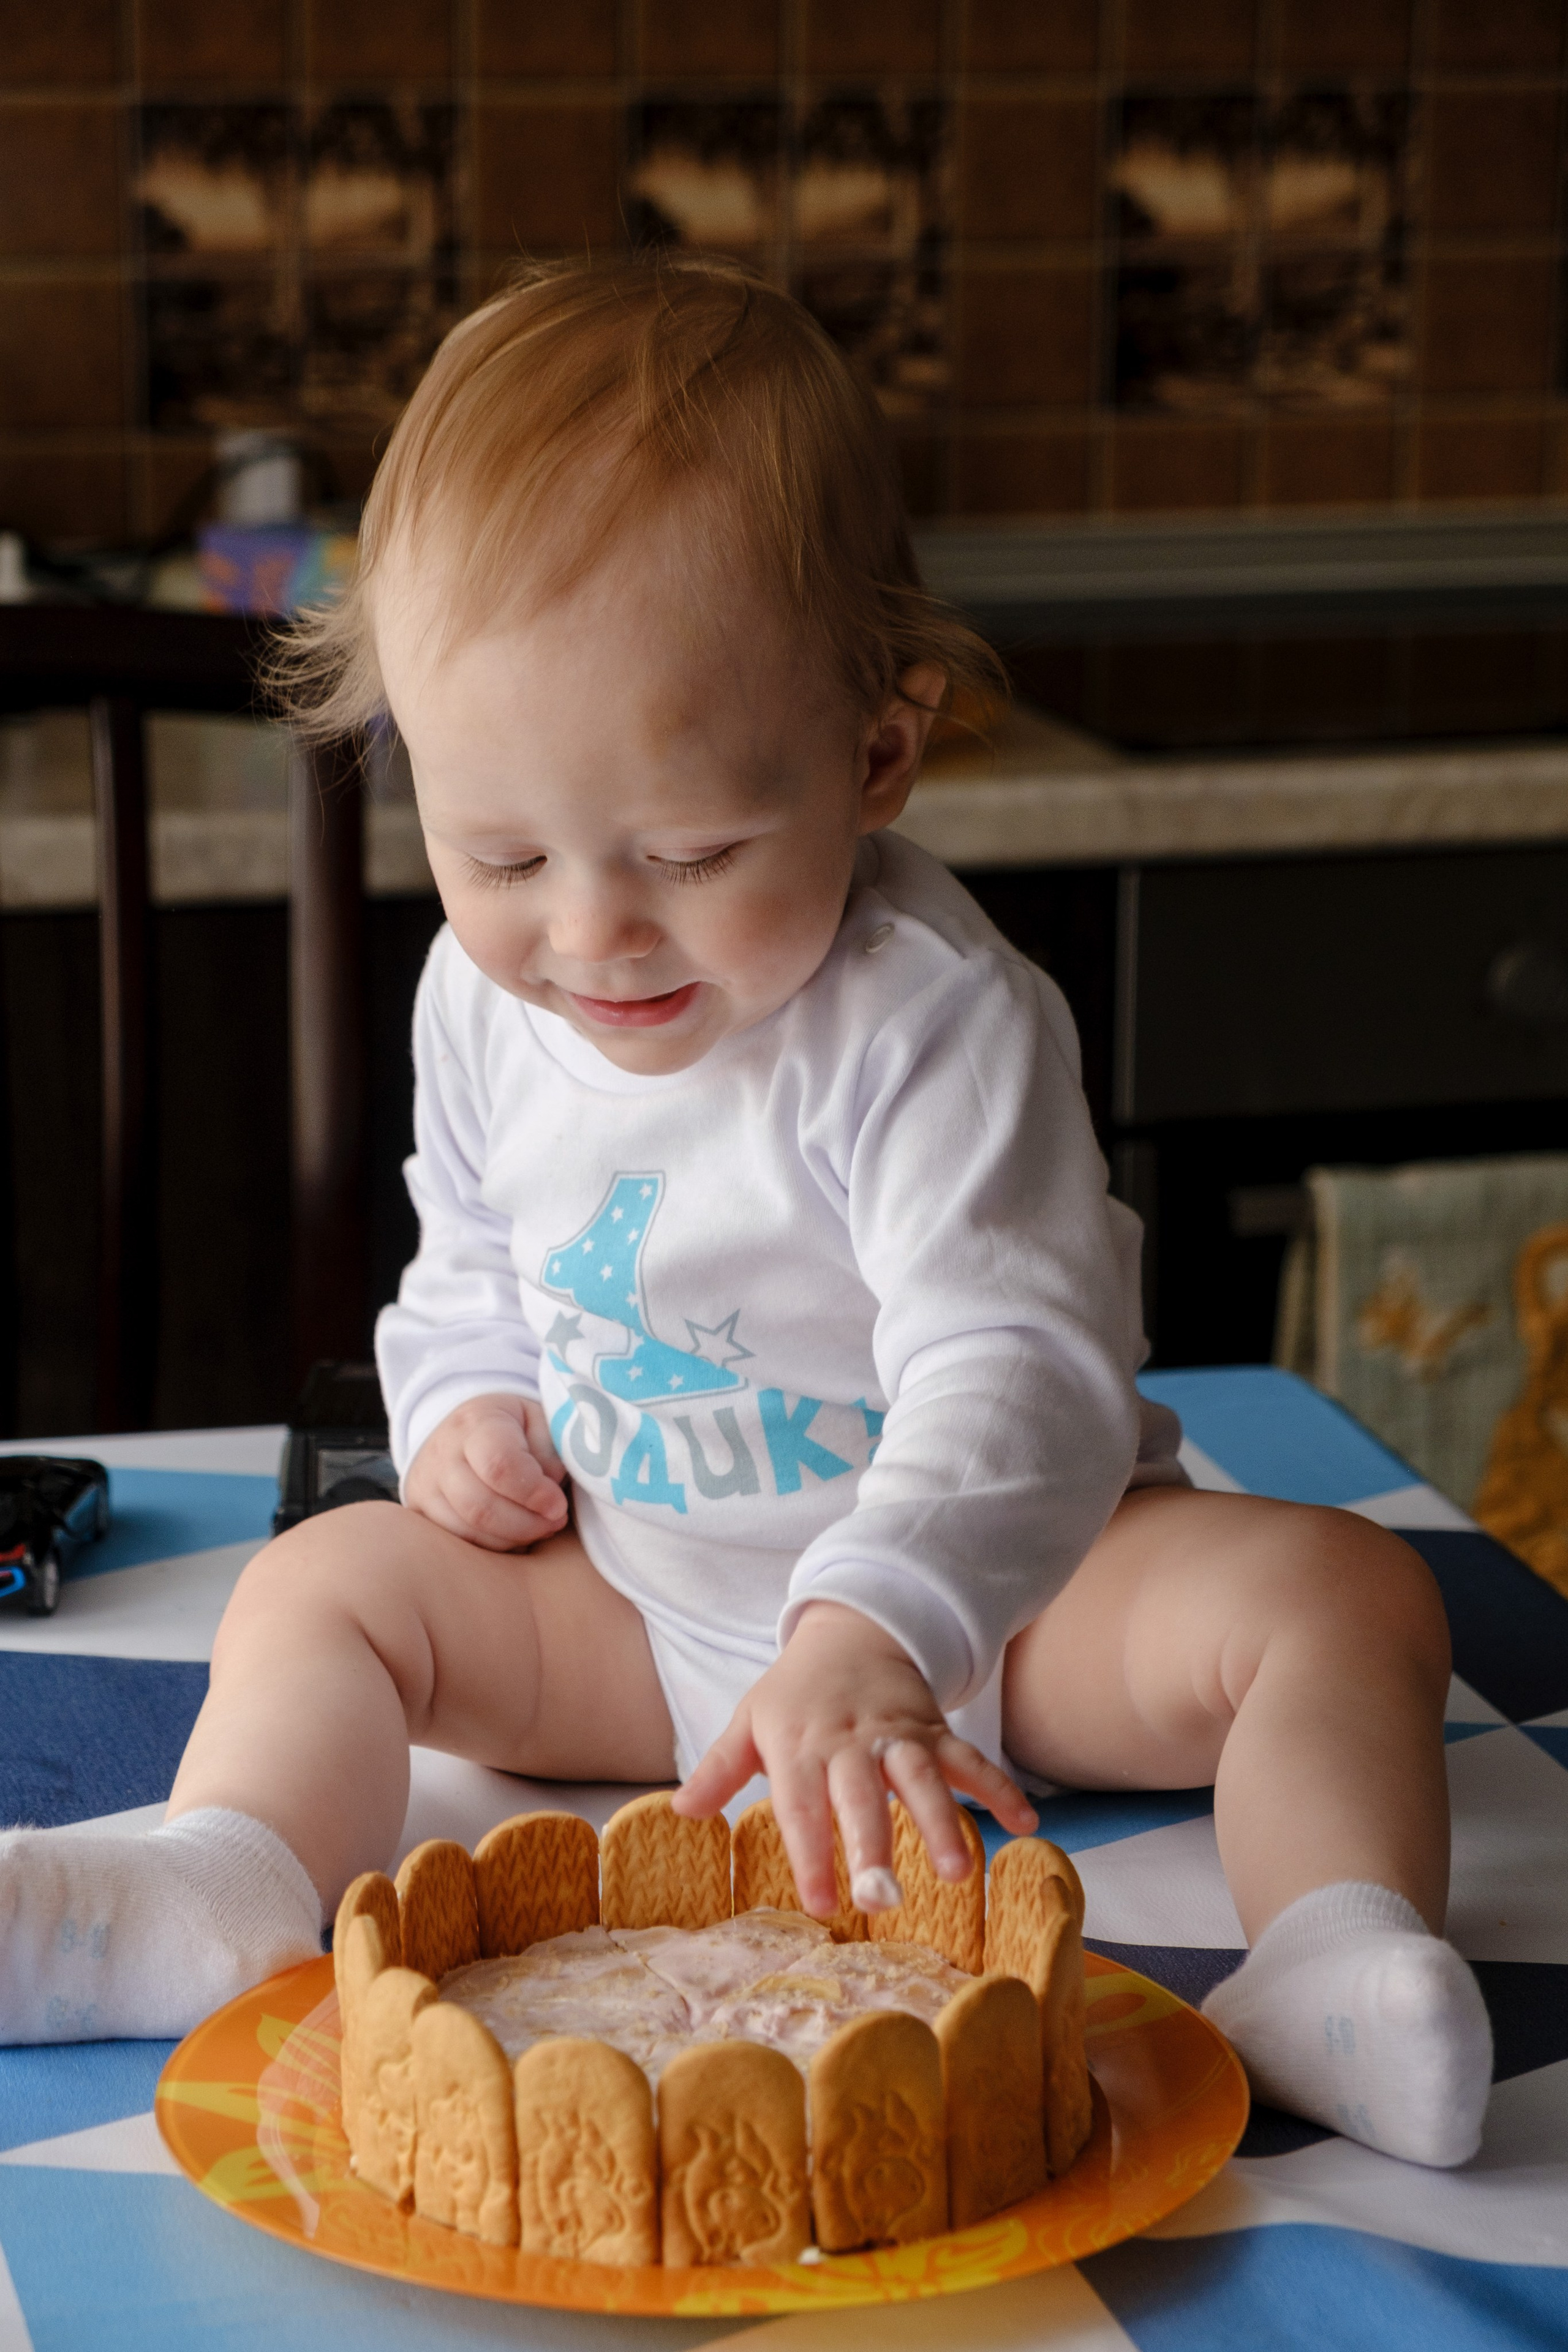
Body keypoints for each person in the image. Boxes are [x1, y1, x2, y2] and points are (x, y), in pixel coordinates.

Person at [0, 258, 1490, 2168]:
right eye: (499, 853)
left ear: (878, 753)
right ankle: (223, 1879)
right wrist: (465, 1408)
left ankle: (1333, 1955)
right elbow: (471, 1261)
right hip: (641, 1608)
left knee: (1349, 1597)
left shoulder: (932, 1019)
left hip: (1011, 1610)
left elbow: (1022, 1368)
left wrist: (877, 1627)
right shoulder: (485, 1001)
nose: (591, 932)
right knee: (316, 1585)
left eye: (691, 852)